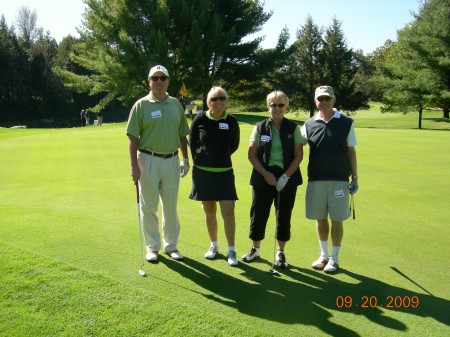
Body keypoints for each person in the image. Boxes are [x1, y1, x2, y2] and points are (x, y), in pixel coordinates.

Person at [126, 65, 190, 262]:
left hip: (171, 160)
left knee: (170, 207)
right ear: (149, 82)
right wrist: (134, 166)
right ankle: (152, 247)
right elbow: (132, 137)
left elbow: (182, 134)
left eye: (163, 78)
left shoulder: (175, 104)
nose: (159, 81)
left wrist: (185, 159)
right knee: (149, 206)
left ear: (168, 81)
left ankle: (171, 246)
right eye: (155, 78)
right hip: (147, 159)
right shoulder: (141, 105)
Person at [242, 90, 303, 269]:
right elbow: (251, 154)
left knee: (283, 215)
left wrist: (285, 176)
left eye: (280, 105)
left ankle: (280, 252)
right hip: (263, 177)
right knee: (258, 214)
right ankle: (255, 248)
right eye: (273, 104)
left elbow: (298, 155)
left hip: (287, 178)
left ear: (286, 106)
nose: (277, 108)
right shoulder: (260, 127)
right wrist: (265, 174)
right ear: (267, 106)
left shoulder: (293, 128)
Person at [301, 85, 358, 274]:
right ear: (315, 101)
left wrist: (355, 177)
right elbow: (295, 145)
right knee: (320, 218)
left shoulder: (346, 122)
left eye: (327, 98)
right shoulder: (309, 124)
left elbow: (351, 151)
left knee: (337, 219)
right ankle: (323, 255)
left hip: (339, 179)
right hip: (316, 179)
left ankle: (335, 257)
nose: (323, 102)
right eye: (320, 99)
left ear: (333, 100)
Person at [189, 86, 240, 267]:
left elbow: (234, 145)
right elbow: (192, 141)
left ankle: (232, 249)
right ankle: (214, 246)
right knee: (209, 211)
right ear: (208, 101)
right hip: (203, 173)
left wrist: (220, 157)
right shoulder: (200, 118)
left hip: (224, 172)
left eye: (221, 98)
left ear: (226, 101)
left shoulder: (232, 121)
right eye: (214, 99)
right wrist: (201, 158)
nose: (218, 102)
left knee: (228, 212)